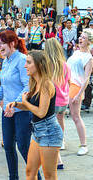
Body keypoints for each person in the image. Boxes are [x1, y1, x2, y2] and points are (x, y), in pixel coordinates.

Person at [0, 30, 40, 180]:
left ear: (12, 43)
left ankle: (37, 177)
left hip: (21, 111)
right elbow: (3, 86)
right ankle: (13, 177)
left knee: (23, 147)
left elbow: (27, 87)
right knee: (8, 146)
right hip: (7, 111)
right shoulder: (6, 61)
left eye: (2, 42)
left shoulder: (22, 59)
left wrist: (14, 104)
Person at [5, 50, 63, 179]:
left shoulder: (46, 84)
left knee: (49, 175)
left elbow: (41, 112)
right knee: (30, 171)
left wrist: (24, 100)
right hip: (38, 131)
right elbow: (30, 107)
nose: (25, 65)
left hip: (50, 131)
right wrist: (16, 104)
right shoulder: (34, 83)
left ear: (40, 65)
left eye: (29, 62)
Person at [45, 38, 71, 169]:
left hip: (53, 101)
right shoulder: (65, 64)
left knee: (51, 127)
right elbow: (69, 82)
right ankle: (62, 141)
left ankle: (57, 156)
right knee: (60, 121)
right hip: (64, 100)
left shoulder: (48, 65)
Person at [67, 28, 93, 155]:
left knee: (75, 116)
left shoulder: (88, 57)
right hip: (66, 85)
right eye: (80, 37)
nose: (80, 39)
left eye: (83, 38)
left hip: (76, 86)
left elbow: (86, 78)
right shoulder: (76, 52)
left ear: (89, 41)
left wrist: (78, 95)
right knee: (59, 114)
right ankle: (60, 141)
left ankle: (83, 145)